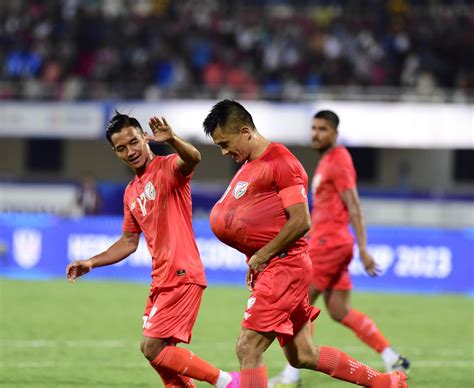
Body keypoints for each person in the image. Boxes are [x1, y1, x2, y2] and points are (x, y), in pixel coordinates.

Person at [203, 99, 407, 388]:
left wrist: (262, 254)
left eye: (225, 143)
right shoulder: (252, 163)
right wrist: (256, 255)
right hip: (277, 267)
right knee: (303, 354)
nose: (224, 152)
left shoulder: (282, 162)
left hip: (285, 267)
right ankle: (384, 382)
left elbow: (301, 221)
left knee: (248, 348)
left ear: (246, 131)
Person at [66, 112, 239, 388]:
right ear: (115, 152)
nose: (130, 151)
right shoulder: (131, 192)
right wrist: (91, 262)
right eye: (121, 148)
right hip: (160, 279)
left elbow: (194, 157)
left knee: (152, 347)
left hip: (182, 273)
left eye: (133, 142)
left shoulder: (169, 167)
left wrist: (172, 139)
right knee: (158, 356)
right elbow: (128, 242)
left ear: (145, 138)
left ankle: (228, 382)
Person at [270, 110, 410, 387]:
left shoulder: (339, 160)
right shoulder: (326, 162)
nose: (316, 133)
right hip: (332, 243)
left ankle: (291, 373)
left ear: (335, 133)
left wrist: (364, 248)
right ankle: (390, 354)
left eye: (322, 129)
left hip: (328, 244)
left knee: (298, 304)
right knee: (339, 309)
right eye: (313, 128)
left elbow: (354, 204)